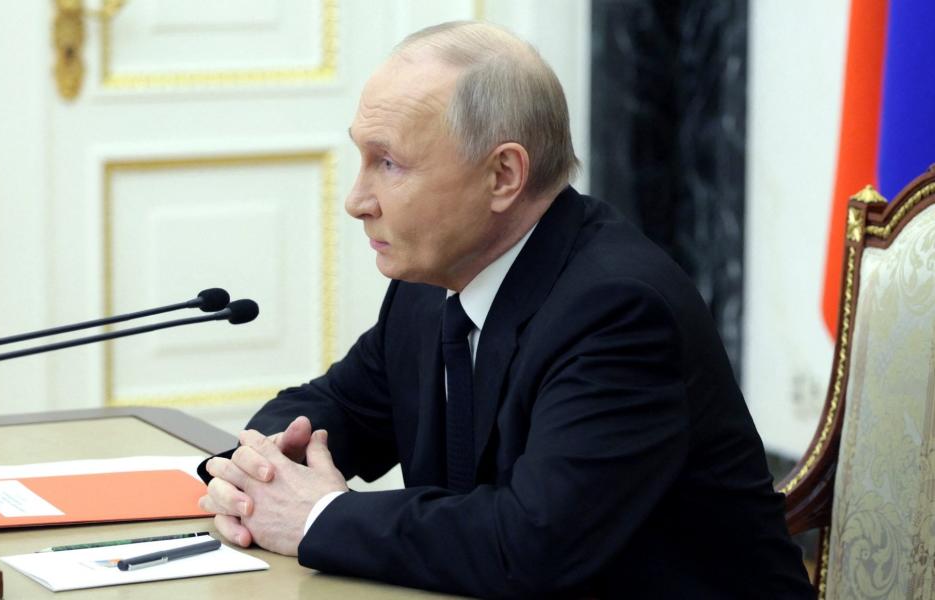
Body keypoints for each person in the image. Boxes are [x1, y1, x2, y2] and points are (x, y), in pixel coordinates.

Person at [198, 21, 814, 598]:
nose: (357, 200)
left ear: (503, 175)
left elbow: (532, 543)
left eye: (389, 163)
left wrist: (318, 517)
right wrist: (263, 464)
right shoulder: (428, 282)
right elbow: (341, 405)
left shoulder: (618, 312)